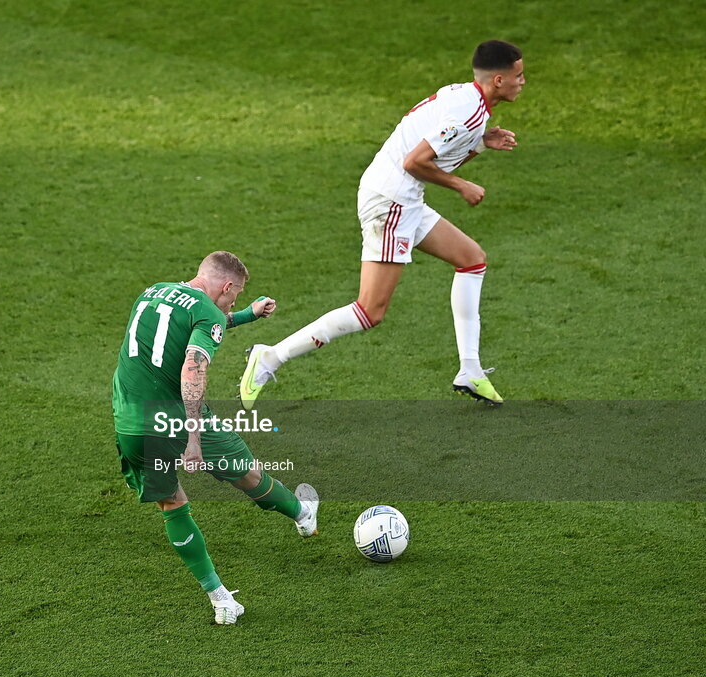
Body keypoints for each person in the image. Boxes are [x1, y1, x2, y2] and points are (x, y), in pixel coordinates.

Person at [241, 40, 526, 409]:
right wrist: (461, 186)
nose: (523, 82)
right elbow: (415, 162)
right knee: (370, 310)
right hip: (393, 200)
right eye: (519, 76)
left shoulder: (468, 102)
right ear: (499, 80)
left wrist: (480, 144)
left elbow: (435, 155)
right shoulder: (469, 114)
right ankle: (269, 357)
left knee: (472, 258)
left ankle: (470, 370)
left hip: (401, 196)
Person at [112, 251, 319, 625]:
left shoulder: (153, 291)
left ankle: (221, 599)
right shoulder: (207, 313)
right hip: (181, 417)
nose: (232, 304)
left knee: (172, 503)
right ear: (226, 286)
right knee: (247, 473)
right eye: (234, 298)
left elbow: (197, 320)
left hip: (131, 421)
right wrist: (193, 437)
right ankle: (302, 513)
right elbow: (193, 366)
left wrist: (245, 316)